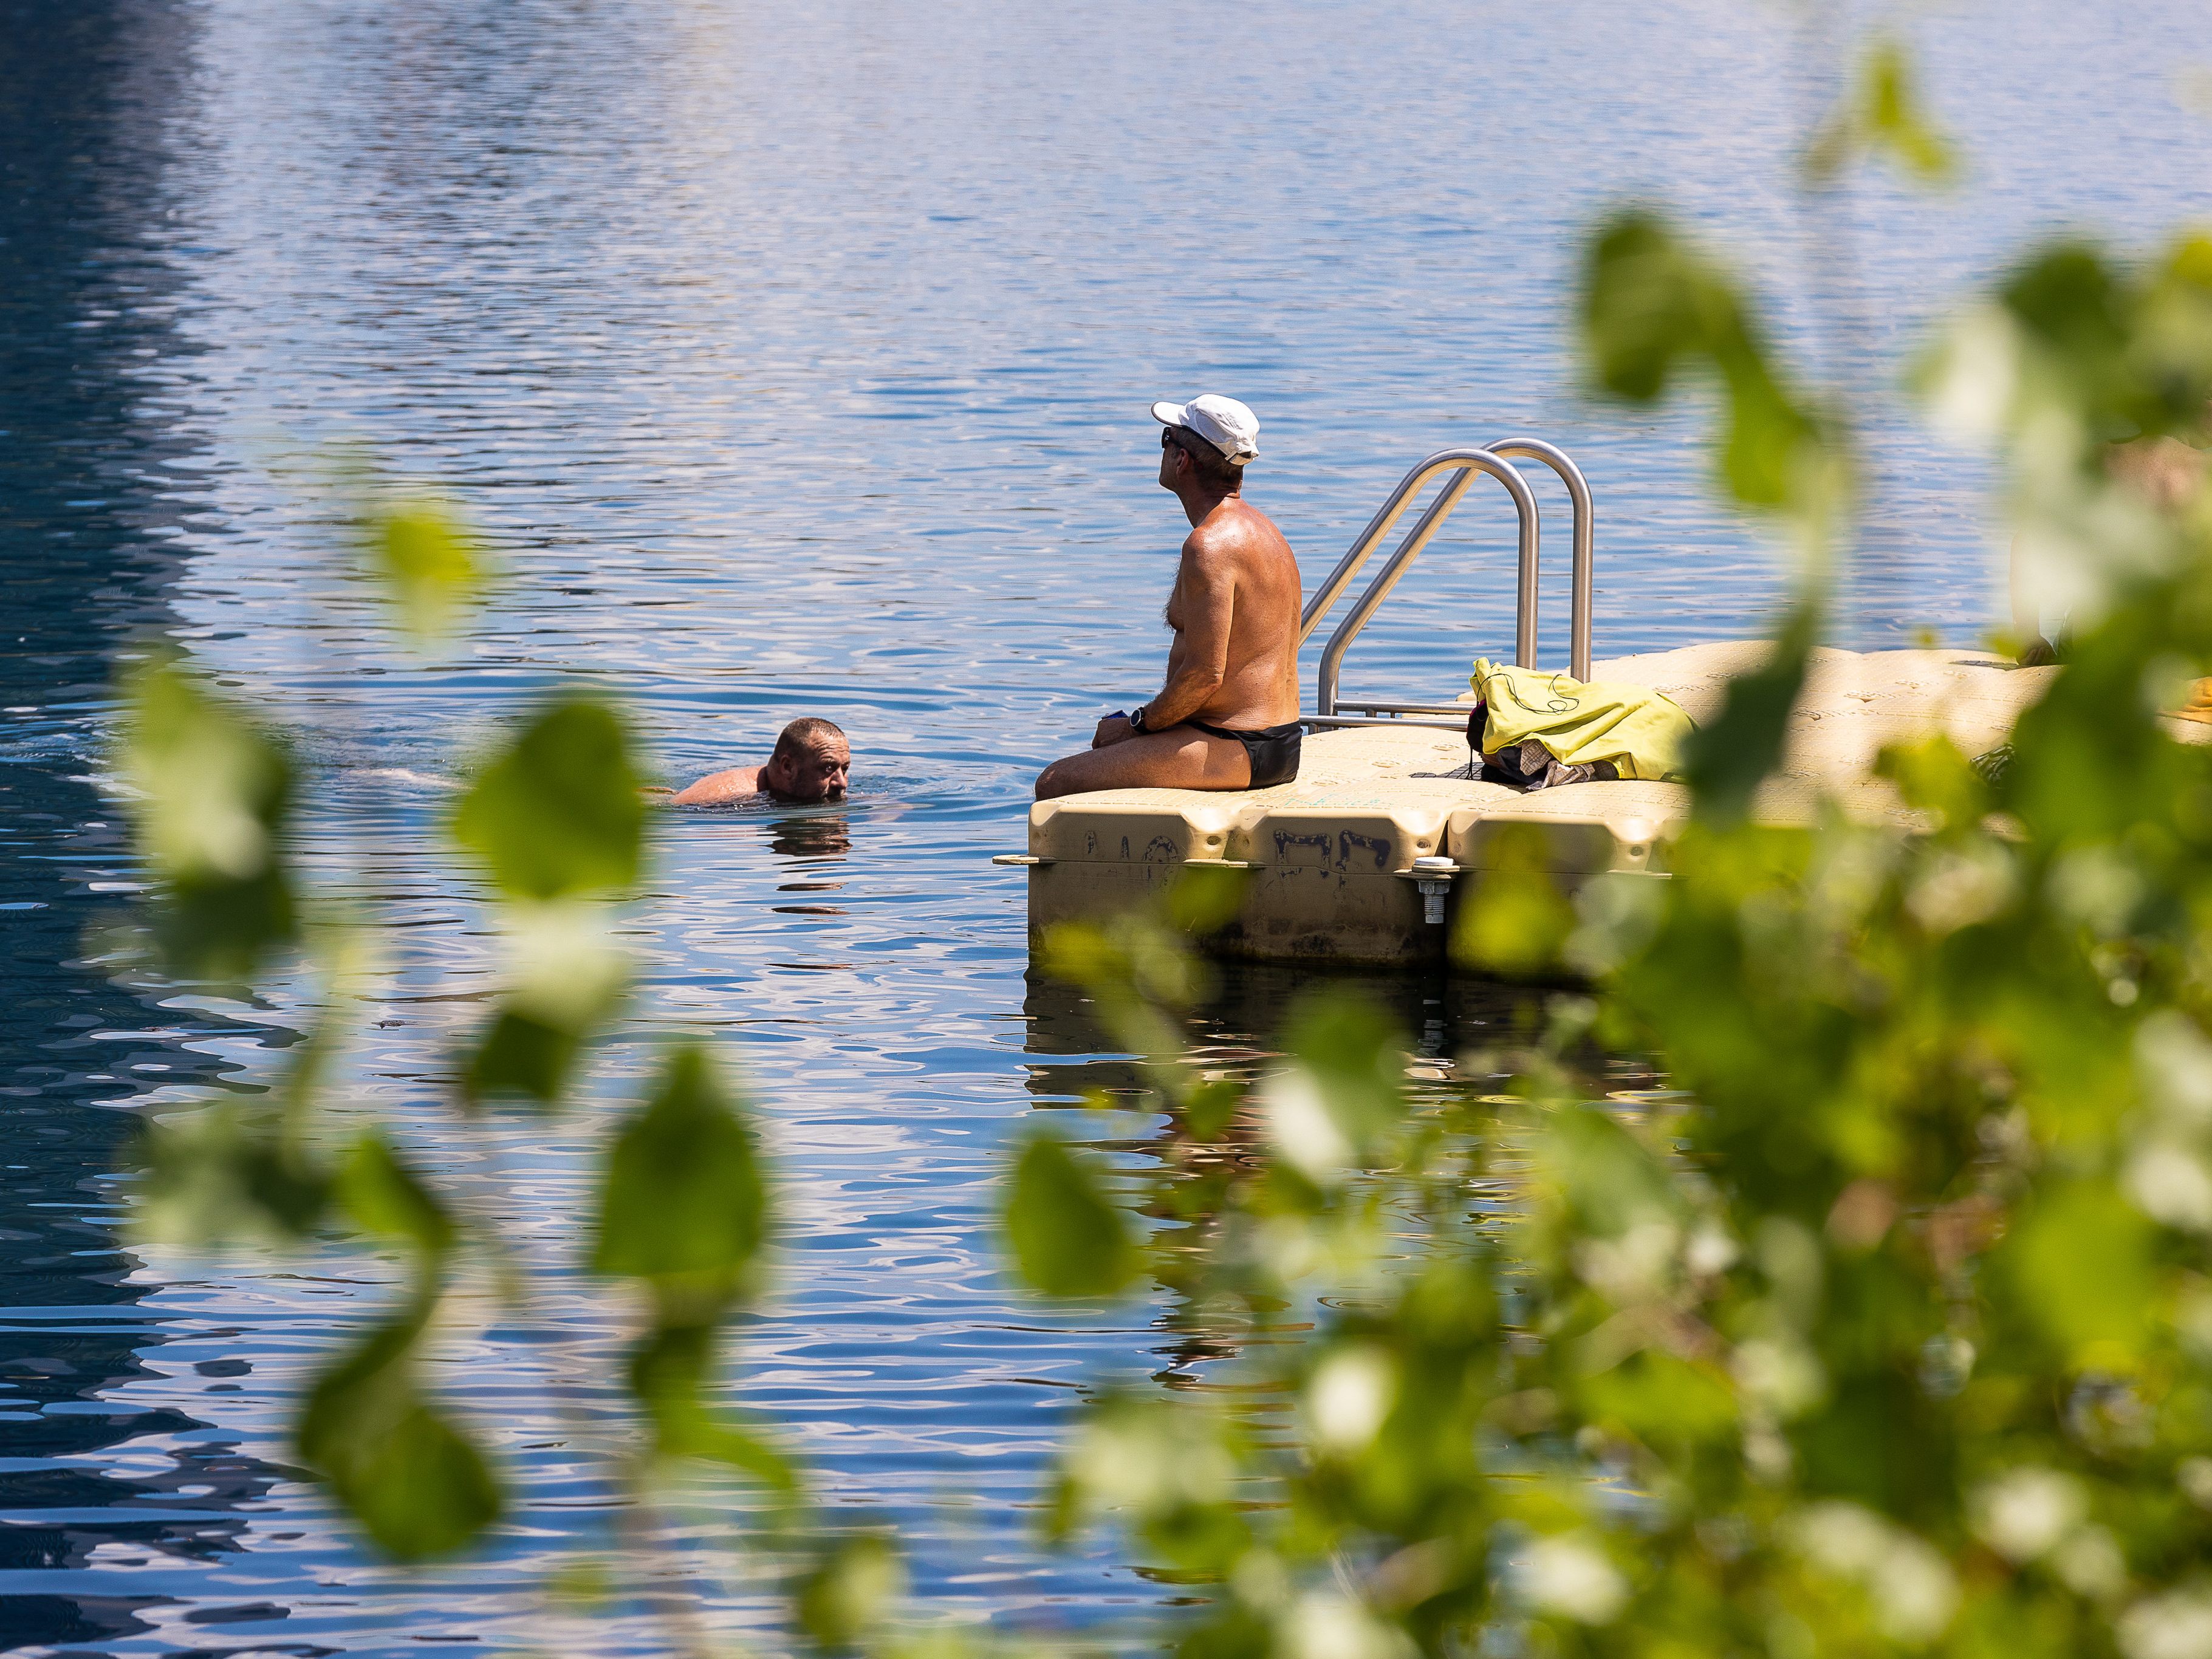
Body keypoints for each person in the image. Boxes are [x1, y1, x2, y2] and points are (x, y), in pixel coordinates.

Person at [1034, 395, 1303, 800]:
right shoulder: (1265, 532)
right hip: (1273, 740)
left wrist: (1135, 726)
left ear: (1182, 460)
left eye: (1166, 438)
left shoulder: (1210, 545)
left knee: (1054, 782)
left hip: (1239, 745)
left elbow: (1205, 676)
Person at [669, 717, 850, 805]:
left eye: (845, 769)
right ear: (788, 767)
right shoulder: (722, 798)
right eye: (828, 768)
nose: (842, 783)